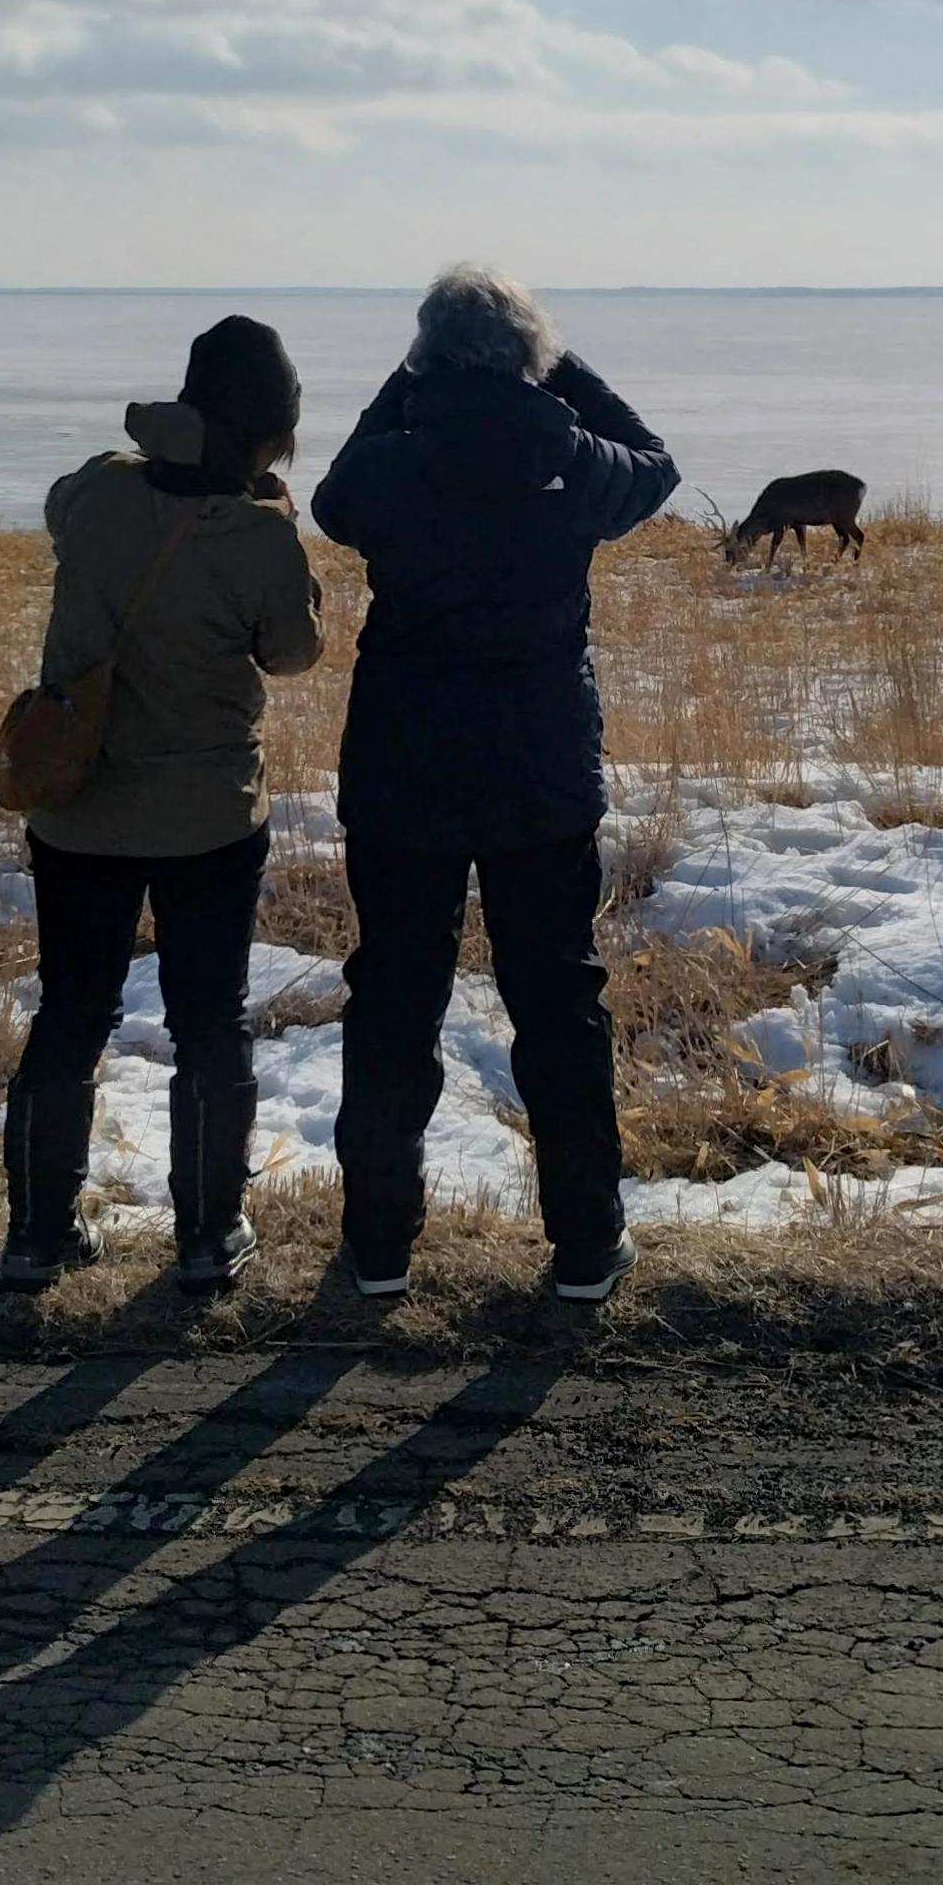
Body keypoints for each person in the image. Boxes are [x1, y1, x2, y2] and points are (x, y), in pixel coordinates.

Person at [312, 266, 680, 1304]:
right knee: (558, 998)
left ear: (424, 357)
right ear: (532, 357)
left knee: (391, 995)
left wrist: (409, 379)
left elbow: (334, 500)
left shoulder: (393, 458)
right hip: (537, 771)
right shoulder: (568, 452)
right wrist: (557, 373)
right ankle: (585, 1242)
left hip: (402, 771)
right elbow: (656, 465)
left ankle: (379, 1246)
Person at [0, 315, 325, 1296]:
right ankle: (206, 1237)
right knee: (208, 1023)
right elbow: (295, 652)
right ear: (273, 430)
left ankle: (35, 1236)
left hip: (79, 807)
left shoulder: (93, 492)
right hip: (208, 818)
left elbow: (71, 502)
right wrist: (276, 516)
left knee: (69, 1015)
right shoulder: (261, 539)